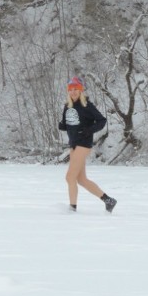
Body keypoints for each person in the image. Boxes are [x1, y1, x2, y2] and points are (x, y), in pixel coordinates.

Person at [58, 76, 117, 213]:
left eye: (76, 89)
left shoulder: (87, 106)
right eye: (70, 90)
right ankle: (109, 200)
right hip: (73, 144)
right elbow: (68, 123)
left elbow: (101, 121)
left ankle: (72, 209)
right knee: (81, 180)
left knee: (69, 177)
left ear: (80, 91)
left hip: (83, 144)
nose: (73, 92)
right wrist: (63, 125)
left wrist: (88, 130)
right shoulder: (68, 106)